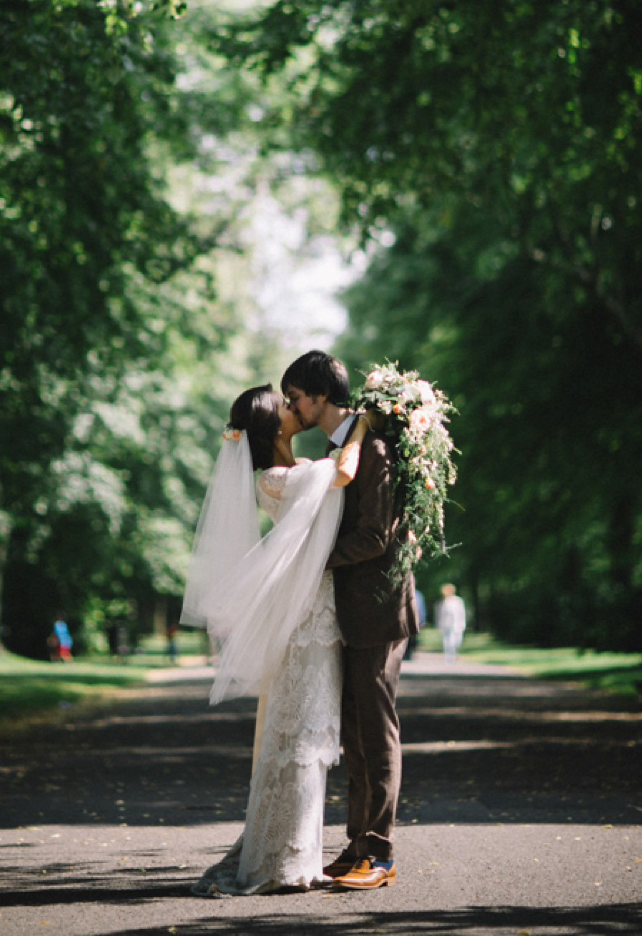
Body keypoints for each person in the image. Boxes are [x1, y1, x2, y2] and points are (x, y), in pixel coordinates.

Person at [181, 384, 370, 895]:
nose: (295, 408)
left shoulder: (295, 471)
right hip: (304, 623)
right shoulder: (278, 479)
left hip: (312, 616)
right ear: (273, 427)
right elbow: (345, 471)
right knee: (300, 736)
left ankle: (291, 851)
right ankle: (282, 859)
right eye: (286, 406)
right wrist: (362, 426)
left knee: (306, 734)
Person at [282, 350, 420, 891]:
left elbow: (374, 537)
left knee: (377, 732)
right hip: (347, 613)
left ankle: (381, 854)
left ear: (320, 395)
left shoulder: (376, 449)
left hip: (380, 611)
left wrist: (311, 558)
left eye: (295, 397)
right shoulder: (338, 450)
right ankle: (356, 844)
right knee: (355, 735)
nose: (292, 406)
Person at [435, 583, 467, 662]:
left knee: (457, 641)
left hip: (456, 624)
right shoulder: (441, 602)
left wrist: (462, 624)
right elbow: (438, 614)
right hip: (445, 625)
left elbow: (461, 613)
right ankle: (449, 657)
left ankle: (453, 654)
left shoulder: (458, 601)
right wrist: (438, 625)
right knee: (447, 641)